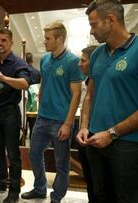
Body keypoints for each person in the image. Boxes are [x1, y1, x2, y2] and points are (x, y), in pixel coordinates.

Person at [76, 1, 138, 202]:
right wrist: (84, 126)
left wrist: (112, 133)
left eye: (94, 25)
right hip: (95, 140)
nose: (91, 31)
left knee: (126, 197)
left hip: (128, 144)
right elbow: (90, 95)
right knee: (98, 195)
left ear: (111, 20)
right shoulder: (97, 55)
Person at [21, 22, 83, 203]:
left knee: (61, 163)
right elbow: (44, 85)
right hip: (43, 118)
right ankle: (40, 188)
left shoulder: (72, 61)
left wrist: (68, 123)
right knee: (34, 153)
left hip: (60, 121)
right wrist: (40, 104)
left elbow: (76, 94)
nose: (44, 41)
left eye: (48, 38)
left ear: (60, 39)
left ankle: (56, 197)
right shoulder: (45, 60)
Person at [0, 27, 31, 203]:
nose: (0, 43)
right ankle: (0, 182)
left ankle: (14, 191)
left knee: (13, 154)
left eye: (3, 40)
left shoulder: (19, 63)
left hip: (10, 114)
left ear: (11, 42)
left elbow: (25, 84)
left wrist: (4, 78)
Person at [75, 45, 98, 203]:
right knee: (90, 178)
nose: (79, 64)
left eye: (83, 60)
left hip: (98, 133)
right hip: (86, 132)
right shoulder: (87, 80)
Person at [25, 52, 41, 142]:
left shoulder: (21, 71)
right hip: (34, 105)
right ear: (32, 60)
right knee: (32, 128)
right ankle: (31, 147)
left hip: (23, 103)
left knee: (21, 128)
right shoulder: (38, 73)